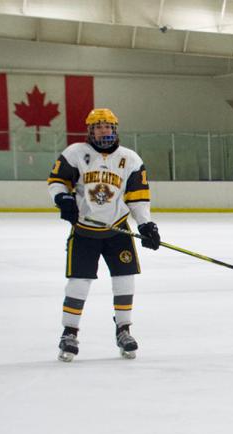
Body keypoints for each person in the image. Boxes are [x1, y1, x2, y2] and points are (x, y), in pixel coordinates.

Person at [46, 107, 160, 362]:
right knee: (79, 282)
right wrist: (63, 198)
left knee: (125, 278)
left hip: (117, 230)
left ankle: (124, 329)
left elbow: (138, 196)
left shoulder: (130, 159)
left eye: (108, 126)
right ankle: (69, 332)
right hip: (84, 231)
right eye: (98, 127)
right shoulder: (75, 154)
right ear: (90, 130)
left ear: (115, 129)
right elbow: (56, 181)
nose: (104, 131)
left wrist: (146, 224)